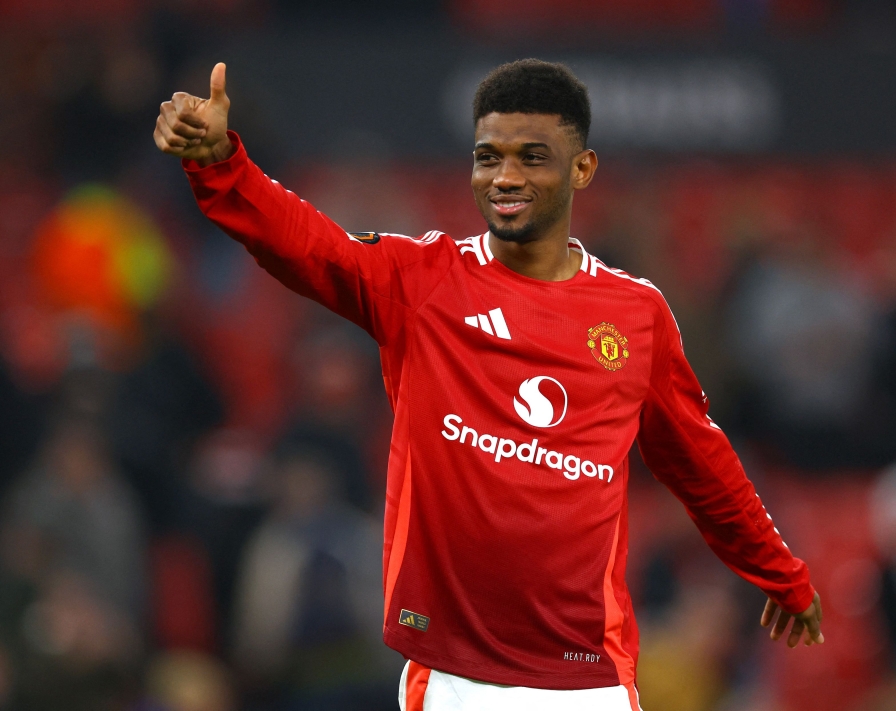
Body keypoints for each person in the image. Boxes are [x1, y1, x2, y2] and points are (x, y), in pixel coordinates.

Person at [154, 59, 823, 711]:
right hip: (456, 678)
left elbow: (701, 463)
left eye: (533, 156)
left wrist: (781, 573)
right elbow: (305, 244)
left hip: (589, 680)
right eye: (488, 156)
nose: (505, 176)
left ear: (582, 168)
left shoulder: (637, 314)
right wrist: (220, 165)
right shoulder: (422, 282)